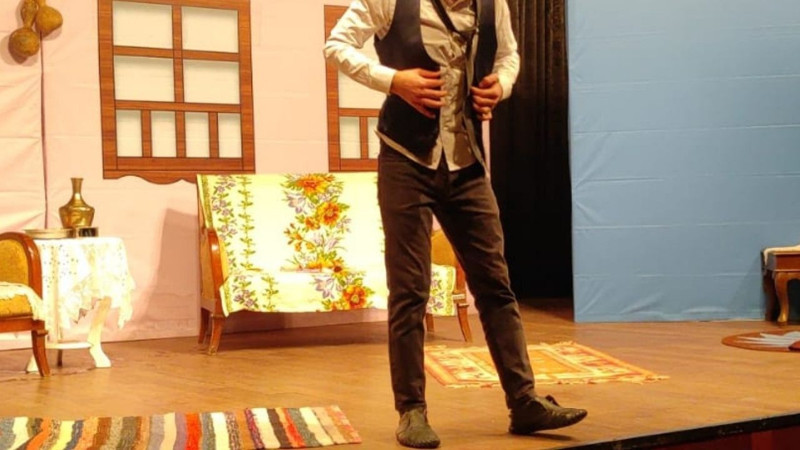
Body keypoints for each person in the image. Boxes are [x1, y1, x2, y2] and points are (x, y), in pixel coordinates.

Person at [324, 0, 587, 447]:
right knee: (410, 290)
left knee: (496, 285)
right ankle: (412, 411)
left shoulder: (492, 4)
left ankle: (524, 401)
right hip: (405, 159)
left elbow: (508, 56)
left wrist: (501, 86)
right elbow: (336, 45)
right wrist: (393, 80)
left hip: (466, 162)